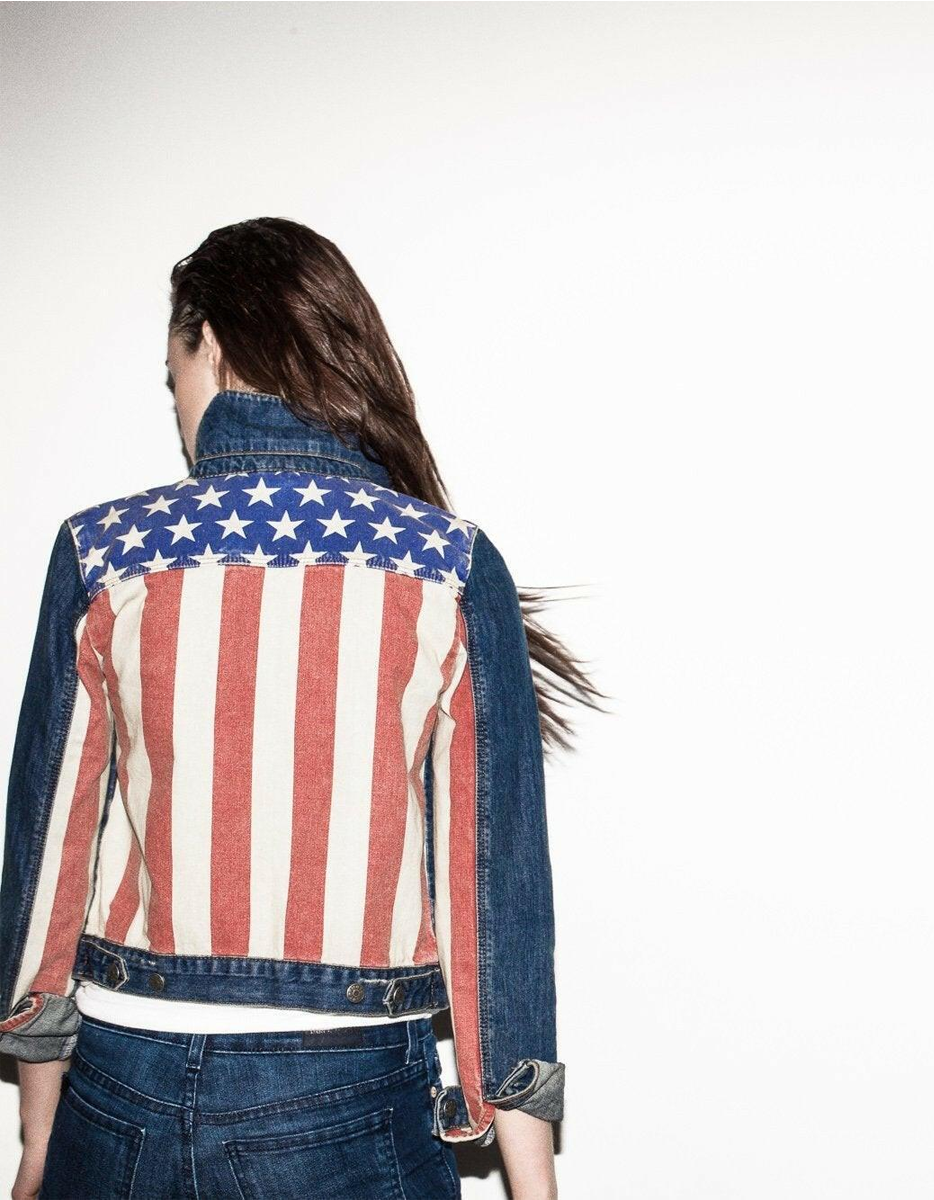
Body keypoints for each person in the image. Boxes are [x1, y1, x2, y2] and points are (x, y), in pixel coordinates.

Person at [0, 217, 603, 1199]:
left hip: (117, 1092)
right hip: (341, 1097)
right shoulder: (446, 564)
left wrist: (38, 1135)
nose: (175, 402)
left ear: (211, 343)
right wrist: (533, 1184)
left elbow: (47, 865)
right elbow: (493, 894)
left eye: (171, 373)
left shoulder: (103, 552)